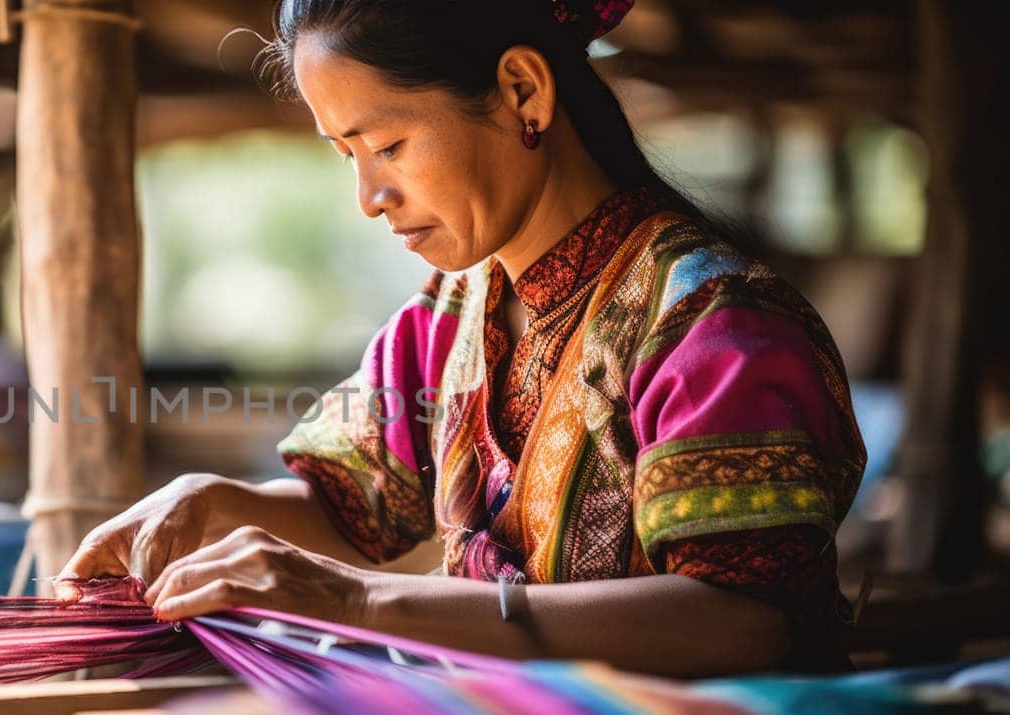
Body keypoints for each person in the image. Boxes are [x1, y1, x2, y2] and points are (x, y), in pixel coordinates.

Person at [61, 0, 865, 678]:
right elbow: (354, 506)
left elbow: (748, 624)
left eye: (387, 146)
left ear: (522, 92)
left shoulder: (711, 323)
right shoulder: (451, 316)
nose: (369, 197)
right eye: (346, 155)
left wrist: (353, 602)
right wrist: (209, 503)